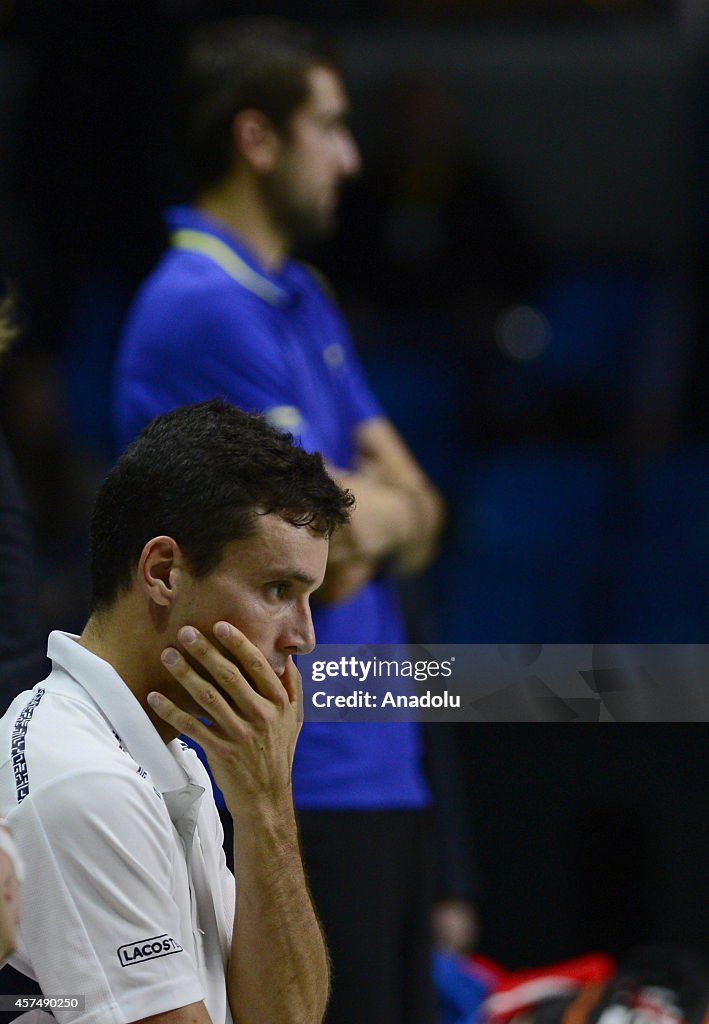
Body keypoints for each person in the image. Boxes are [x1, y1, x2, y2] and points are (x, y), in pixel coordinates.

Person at [112, 17, 475, 1023]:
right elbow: (334, 543)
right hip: (291, 772)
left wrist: (377, 512)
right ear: (255, 137)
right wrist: (373, 514)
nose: (351, 156)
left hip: (379, 761)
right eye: (329, 125)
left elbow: (417, 509)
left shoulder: (301, 296)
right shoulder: (198, 308)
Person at [0, 398, 352, 1023]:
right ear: (162, 572)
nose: (303, 636)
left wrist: (266, 806)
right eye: (278, 590)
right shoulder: (84, 780)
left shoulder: (164, 751)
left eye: (309, 598)